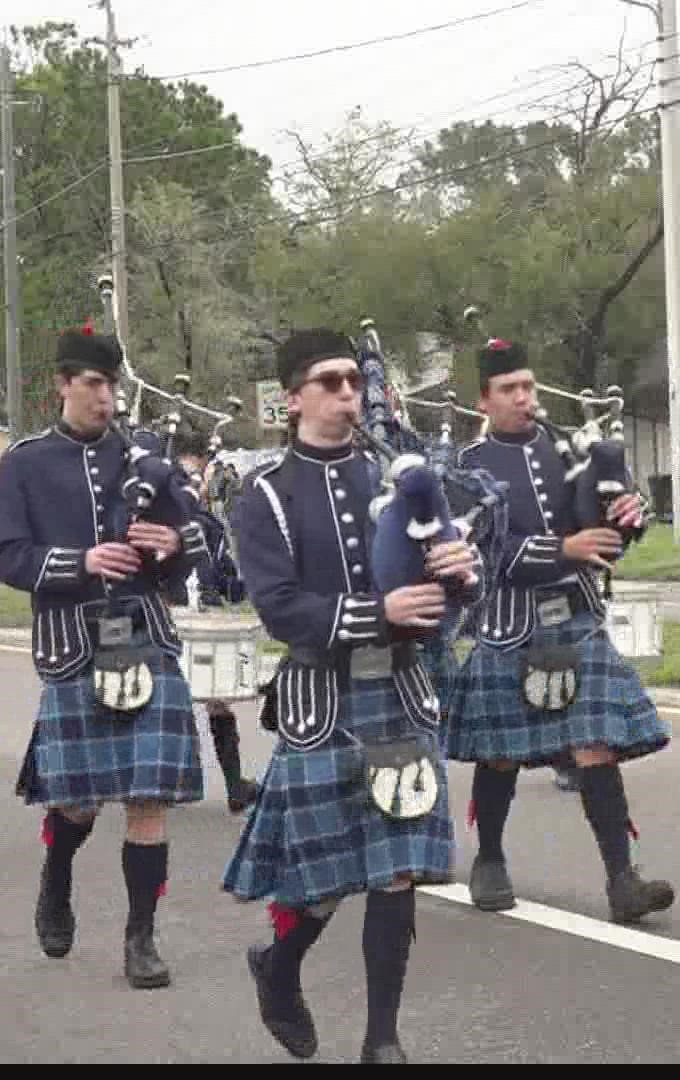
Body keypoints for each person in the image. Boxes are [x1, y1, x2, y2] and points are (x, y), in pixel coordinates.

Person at [222, 328, 479, 1064]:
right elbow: (279, 608)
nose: (346, 393)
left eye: (352, 382)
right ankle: (278, 968)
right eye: (329, 381)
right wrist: (378, 614)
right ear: (292, 397)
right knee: (326, 878)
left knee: (396, 867)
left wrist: (461, 571)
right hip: (321, 699)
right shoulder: (265, 493)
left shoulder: (402, 477)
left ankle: (382, 1040)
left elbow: (451, 583)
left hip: (402, 690)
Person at [0, 328, 213, 990]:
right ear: (62, 384)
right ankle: (57, 877)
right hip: (73, 645)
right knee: (80, 804)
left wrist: (172, 541)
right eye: (92, 384)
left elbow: (208, 538)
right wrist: (78, 561)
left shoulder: (147, 459)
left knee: (149, 798)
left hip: (145, 634)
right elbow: (6, 554)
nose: (104, 397)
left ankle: (140, 937)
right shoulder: (26, 463)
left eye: (112, 385)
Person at [441, 338, 674, 924]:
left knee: (596, 743)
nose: (523, 399)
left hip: (574, 613)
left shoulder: (570, 450)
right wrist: (563, 547)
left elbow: (604, 530)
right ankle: (489, 859)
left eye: (529, 387)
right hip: (508, 622)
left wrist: (626, 518)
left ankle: (623, 879)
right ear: (483, 401)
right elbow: (482, 554)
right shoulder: (465, 470)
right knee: (500, 753)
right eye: (509, 390)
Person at [173, 435, 260, 814]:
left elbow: (230, 583)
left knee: (205, 700)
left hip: (182, 616)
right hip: (179, 616)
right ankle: (232, 786)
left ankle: (226, 786)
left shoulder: (205, 523)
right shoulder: (204, 522)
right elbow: (231, 585)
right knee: (214, 701)